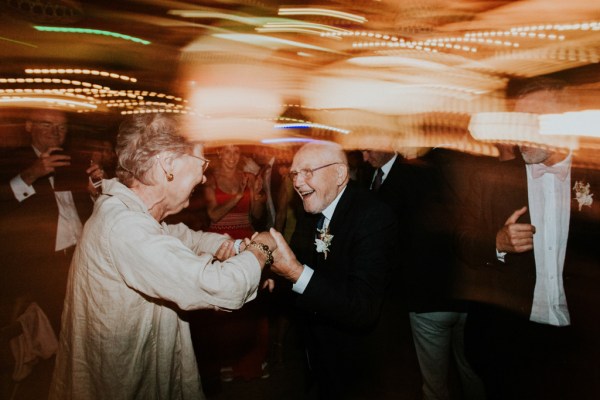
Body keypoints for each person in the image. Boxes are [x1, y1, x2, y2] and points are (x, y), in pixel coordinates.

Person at [48, 114, 277, 400]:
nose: (204, 176)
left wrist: (238, 249)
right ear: (167, 164)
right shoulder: (124, 227)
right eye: (202, 162)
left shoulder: (132, 213)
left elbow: (190, 238)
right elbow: (221, 285)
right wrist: (264, 248)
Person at [456, 80, 600, 399]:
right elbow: (463, 243)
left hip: (581, 340)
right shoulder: (490, 180)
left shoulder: (594, 179)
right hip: (513, 337)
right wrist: (496, 242)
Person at [268, 141, 398, 399]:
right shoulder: (311, 210)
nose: (297, 182)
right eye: (294, 174)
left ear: (339, 174)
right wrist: (269, 275)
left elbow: (363, 308)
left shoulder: (373, 216)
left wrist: (294, 273)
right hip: (320, 352)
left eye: (307, 171)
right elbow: (299, 265)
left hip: (359, 363)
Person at [362, 149, 485, 400]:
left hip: (428, 296)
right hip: (466, 290)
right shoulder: (460, 167)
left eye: (368, 147)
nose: (364, 156)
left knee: (435, 384)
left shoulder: (407, 175)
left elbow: (390, 240)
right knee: (470, 372)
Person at [0, 108, 103, 334]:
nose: (56, 132)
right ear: (29, 126)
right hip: (40, 265)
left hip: (79, 256)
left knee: (83, 328)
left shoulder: (76, 160)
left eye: (62, 127)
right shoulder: (10, 159)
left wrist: (96, 190)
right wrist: (31, 175)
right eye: (47, 125)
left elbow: (90, 208)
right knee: (48, 334)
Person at [190, 144, 270, 388]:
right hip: (221, 244)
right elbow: (213, 215)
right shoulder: (210, 180)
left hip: (246, 241)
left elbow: (256, 214)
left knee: (250, 305)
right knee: (224, 306)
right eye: (228, 152)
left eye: (237, 152)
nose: (233, 157)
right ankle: (225, 361)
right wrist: (237, 197)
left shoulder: (248, 177)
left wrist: (258, 195)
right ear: (220, 154)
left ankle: (250, 362)